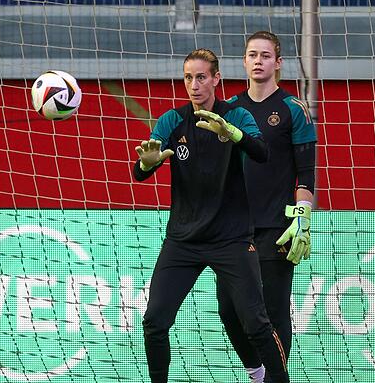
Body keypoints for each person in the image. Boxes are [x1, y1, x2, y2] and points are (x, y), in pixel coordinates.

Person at [133, 48, 290, 383]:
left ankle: (272, 378)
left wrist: (231, 133)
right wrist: (147, 162)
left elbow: (261, 152)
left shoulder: (236, 115)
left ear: (216, 78)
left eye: (201, 77)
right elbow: (141, 169)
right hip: (183, 240)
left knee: (256, 322)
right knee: (155, 322)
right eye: (188, 77)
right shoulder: (173, 120)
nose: (194, 85)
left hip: (231, 239)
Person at [216, 31, 317, 383]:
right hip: (232, 232)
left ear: (278, 63)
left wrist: (303, 218)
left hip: (277, 227)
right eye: (252, 54)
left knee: (273, 314)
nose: (258, 60)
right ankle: (257, 373)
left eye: (265, 55)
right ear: (244, 61)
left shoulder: (293, 110)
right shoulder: (226, 110)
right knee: (229, 311)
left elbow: (306, 177)